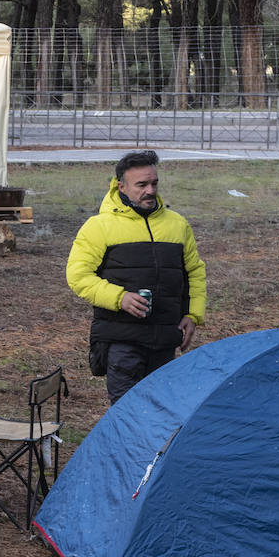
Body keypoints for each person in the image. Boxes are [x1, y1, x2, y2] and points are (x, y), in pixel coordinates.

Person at [65, 150, 207, 404]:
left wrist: (192, 315)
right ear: (121, 186)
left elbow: (194, 272)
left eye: (154, 183)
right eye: (141, 184)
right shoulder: (99, 226)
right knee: (127, 414)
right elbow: (78, 276)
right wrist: (120, 298)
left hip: (165, 339)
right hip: (122, 341)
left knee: (159, 411)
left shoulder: (177, 225)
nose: (150, 190)